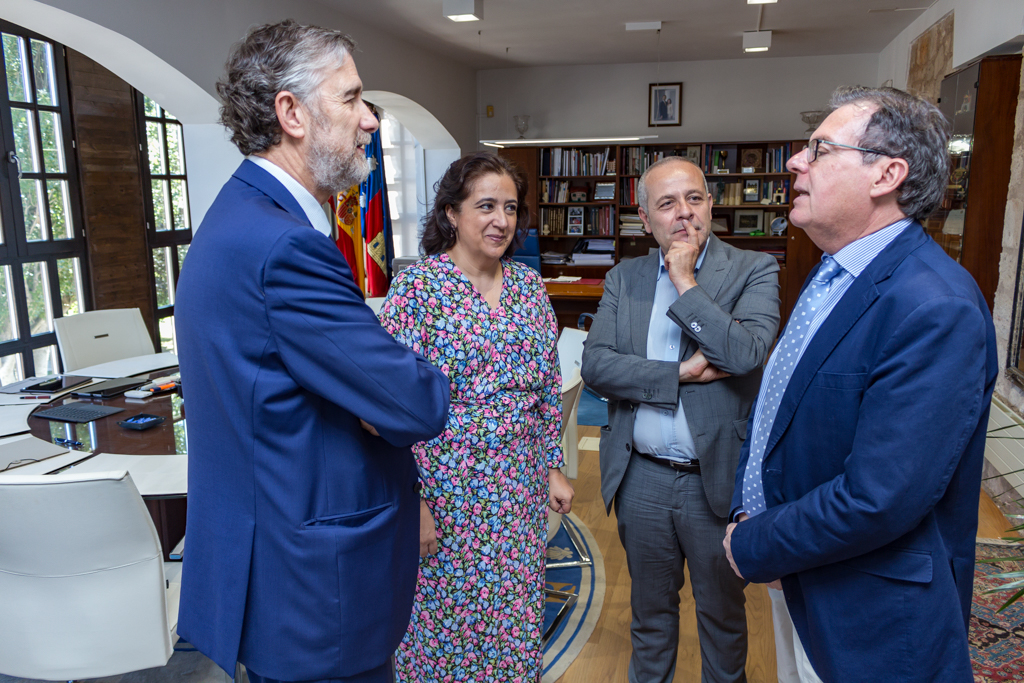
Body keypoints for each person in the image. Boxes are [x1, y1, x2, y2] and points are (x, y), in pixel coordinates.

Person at [174, 20, 451, 683]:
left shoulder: (237, 216)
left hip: (274, 568)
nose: (371, 119)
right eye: (352, 98)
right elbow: (417, 400)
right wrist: (377, 394)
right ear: (291, 112)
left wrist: (363, 392)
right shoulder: (285, 247)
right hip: (315, 594)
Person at [723, 86, 998, 683]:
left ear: (887, 175)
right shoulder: (834, 273)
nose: (796, 161)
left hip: (869, 614)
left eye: (819, 149)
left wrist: (756, 542)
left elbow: (881, 495)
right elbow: (783, 413)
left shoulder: (933, 305)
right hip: (803, 573)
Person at [580, 156, 781, 683]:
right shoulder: (624, 277)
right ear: (645, 219)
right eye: (667, 203)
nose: (684, 213)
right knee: (650, 622)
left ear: (711, 204)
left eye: (694, 198)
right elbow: (596, 366)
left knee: (722, 622)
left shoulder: (753, 269)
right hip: (640, 478)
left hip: (713, 482)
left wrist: (685, 279)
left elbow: (744, 354)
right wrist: (681, 375)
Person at [378, 151, 575, 683]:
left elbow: (545, 386)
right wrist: (412, 500)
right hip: (444, 493)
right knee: (443, 630)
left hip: (516, 491)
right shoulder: (417, 291)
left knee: (512, 626)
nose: (501, 221)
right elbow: (388, 407)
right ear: (451, 214)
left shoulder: (531, 288)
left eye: (510, 208)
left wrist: (552, 465)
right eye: (485, 206)